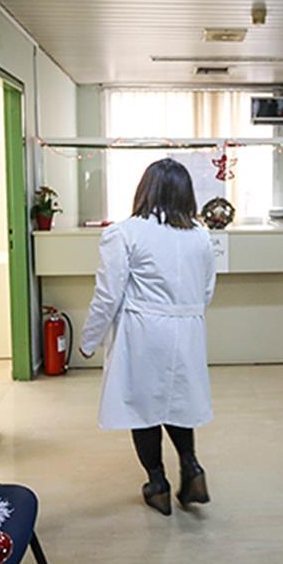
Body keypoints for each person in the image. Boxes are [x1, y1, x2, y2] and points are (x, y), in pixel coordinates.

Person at [79, 158, 217, 516]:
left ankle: (157, 484)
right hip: (187, 330)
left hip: (142, 332)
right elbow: (207, 291)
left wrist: (89, 340)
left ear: (145, 189)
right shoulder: (201, 236)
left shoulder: (125, 232)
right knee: (177, 401)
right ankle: (191, 466)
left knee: (143, 408)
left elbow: (107, 294)